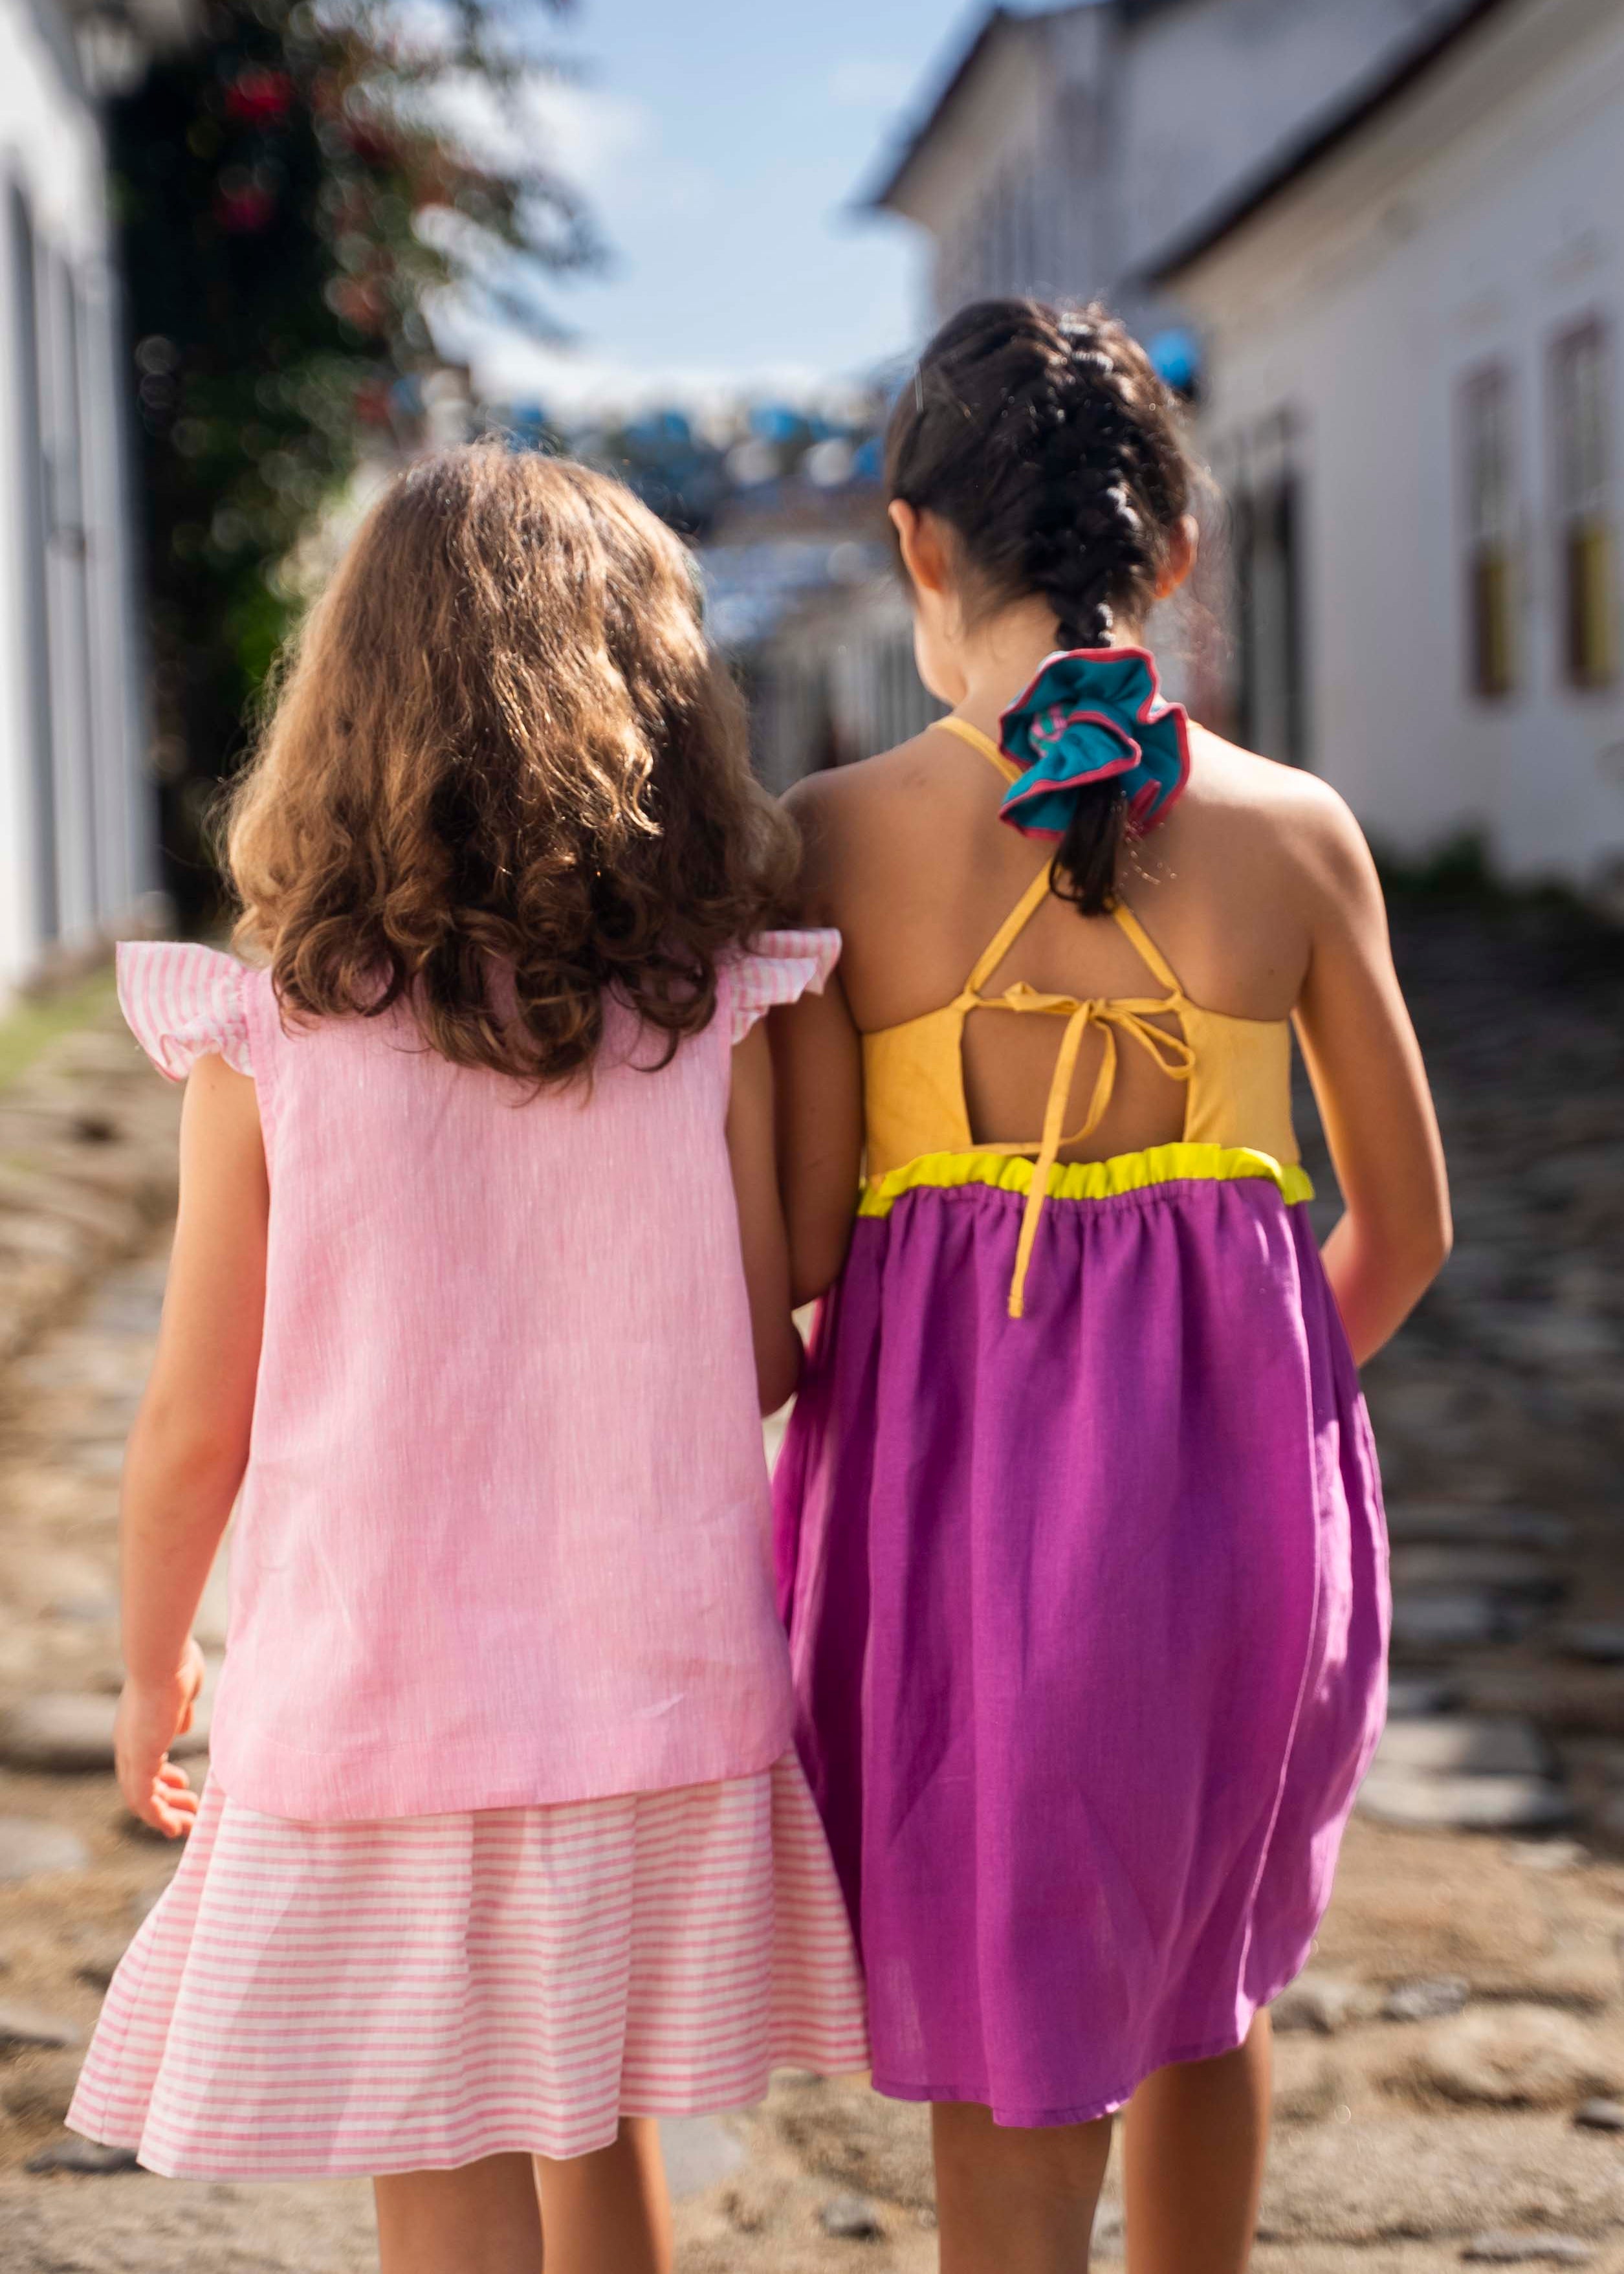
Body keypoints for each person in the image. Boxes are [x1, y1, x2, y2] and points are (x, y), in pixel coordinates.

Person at [67, 446, 868, 2274]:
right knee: (596, 2100)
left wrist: (148, 1664)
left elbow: (199, 1421)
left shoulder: (271, 1043)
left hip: (381, 1698)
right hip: (652, 1681)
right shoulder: (710, 1022)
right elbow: (751, 1343)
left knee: (438, 2151)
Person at [769, 300, 1450, 2274]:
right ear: (1174, 553)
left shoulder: (826, 847)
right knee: (1201, 1978)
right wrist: (1250, 1415)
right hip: (1243, 1527)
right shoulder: (1298, 838)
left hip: (951, 1532)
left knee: (1008, 2034)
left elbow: (808, 1254)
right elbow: (1403, 1228)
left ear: (917, 544)